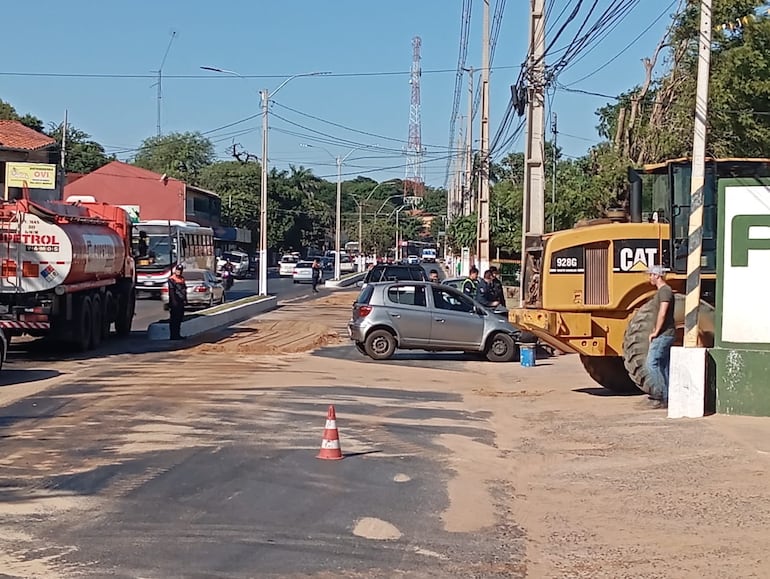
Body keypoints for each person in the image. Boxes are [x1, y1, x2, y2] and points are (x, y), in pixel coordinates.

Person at [646, 265, 676, 409]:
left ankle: (659, 395)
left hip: (664, 334)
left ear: (657, 275)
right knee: (663, 367)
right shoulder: (663, 291)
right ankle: (668, 397)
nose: (649, 278)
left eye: (651, 275)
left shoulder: (665, 291)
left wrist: (656, 332)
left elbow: (662, 313)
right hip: (665, 334)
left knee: (651, 363)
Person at [168, 264, 187, 340]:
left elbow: (184, 290)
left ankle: (177, 334)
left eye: (180, 270)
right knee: (174, 319)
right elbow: (171, 291)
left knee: (179, 318)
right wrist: (173, 301)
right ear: (175, 270)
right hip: (175, 301)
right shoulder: (172, 279)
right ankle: (173, 335)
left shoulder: (182, 279)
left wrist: (185, 299)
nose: (179, 271)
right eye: (178, 270)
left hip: (181, 301)